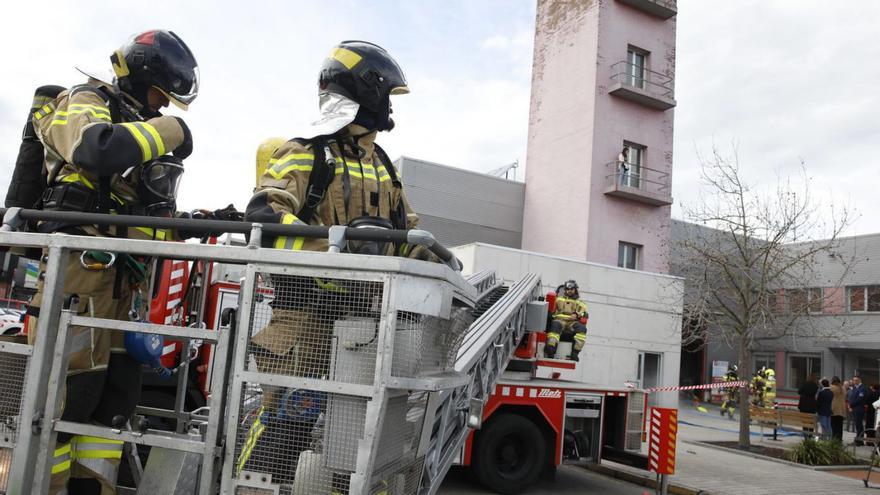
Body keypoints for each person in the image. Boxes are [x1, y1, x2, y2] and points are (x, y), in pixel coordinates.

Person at [239, 40, 425, 489]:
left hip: (362, 322)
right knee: (285, 423)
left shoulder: (382, 165)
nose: (387, 107)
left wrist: (432, 261)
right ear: (365, 90)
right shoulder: (309, 151)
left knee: (354, 436)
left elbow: (407, 233)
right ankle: (248, 487)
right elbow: (263, 215)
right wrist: (333, 256)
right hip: (304, 318)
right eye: (385, 94)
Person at [25, 30, 200, 494]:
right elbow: (94, 150)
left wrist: (198, 224)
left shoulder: (136, 126)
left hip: (126, 281)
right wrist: (173, 133)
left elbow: (142, 211)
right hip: (81, 272)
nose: (162, 109)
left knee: (113, 404)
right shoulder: (87, 98)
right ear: (143, 75)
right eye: (160, 96)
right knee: (69, 397)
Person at [544, 279, 589, 361]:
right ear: (565, 290)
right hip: (559, 320)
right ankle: (551, 349)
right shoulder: (558, 299)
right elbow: (551, 309)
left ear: (575, 290)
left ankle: (575, 353)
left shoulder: (580, 302)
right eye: (567, 289)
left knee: (582, 329)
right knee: (555, 325)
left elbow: (584, 313)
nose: (569, 291)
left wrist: (577, 314)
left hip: (573, 322)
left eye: (571, 289)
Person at [848, 375, 868, 445]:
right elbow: (852, 397)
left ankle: (859, 441)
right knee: (857, 425)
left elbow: (860, 399)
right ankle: (859, 439)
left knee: (859, 425)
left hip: (859, 409)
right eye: (853, 380)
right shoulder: (855, 388)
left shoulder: (862, 388)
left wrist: (851, 404)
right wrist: (850, 404)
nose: (854, 381)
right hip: (855, 408)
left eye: (856, 380)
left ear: (859, 380)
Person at [831, 376, 846, 441]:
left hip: (834, 408)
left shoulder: (832, 388)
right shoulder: (843, 388)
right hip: (841, 409)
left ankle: (834, 438)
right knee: (840, 425)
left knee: (833, 425)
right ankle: (839, 438)